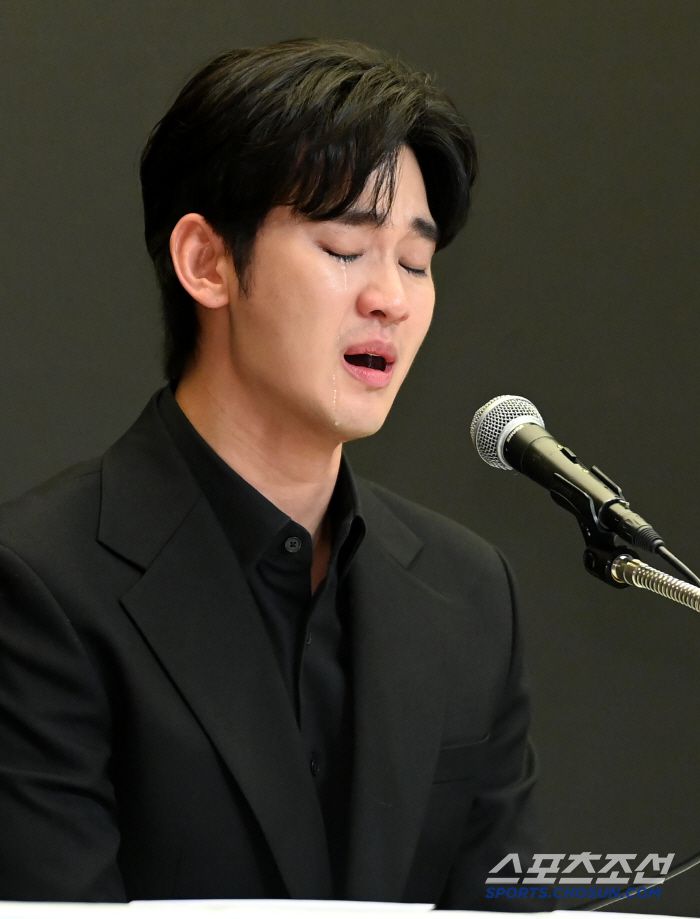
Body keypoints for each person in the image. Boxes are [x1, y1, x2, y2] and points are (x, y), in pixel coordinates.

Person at [0, 39, 542, 908]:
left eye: (415, 262)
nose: (391, 298)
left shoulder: (470, 594)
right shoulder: (39, 583)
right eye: (345, 248)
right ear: (206, 262)